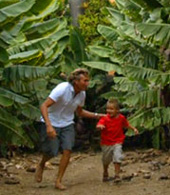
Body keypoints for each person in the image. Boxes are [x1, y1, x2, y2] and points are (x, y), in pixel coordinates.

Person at [35, 68, 103, 190]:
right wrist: (49, 126)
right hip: (52, 121)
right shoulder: (62, 88)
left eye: (88, 81)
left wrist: (98, 116)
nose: (87, 83)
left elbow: (80, 112)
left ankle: (58, 180)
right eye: (85, 81)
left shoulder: (82, 94)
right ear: (76, 81)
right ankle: (41, 164)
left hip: (67, 123)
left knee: (68, 149)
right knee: (52, 151)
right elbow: (44, 105)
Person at [96, 98, 139, 182]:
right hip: (106, 142)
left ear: (117, 110)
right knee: (106, 159)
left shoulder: (121, 118)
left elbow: (126, 124)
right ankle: (105, 171)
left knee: (117, 157)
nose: (109, 111)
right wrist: (100, 127)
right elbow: (99, 124)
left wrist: (134, 129)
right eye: (108, 109)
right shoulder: (104, 118)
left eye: (111, 109)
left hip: (117, 142)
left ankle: (117, 175)